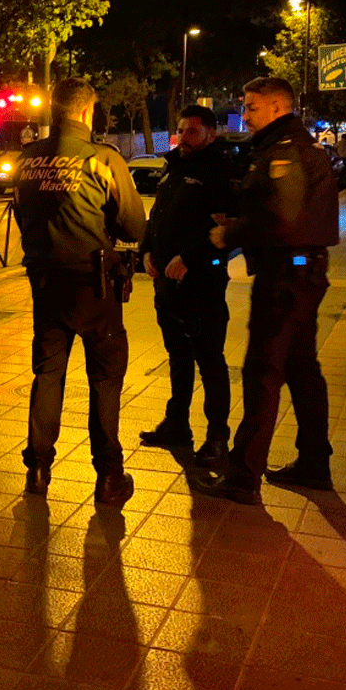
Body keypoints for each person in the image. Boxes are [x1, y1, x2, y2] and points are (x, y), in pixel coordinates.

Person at [201, 77, 340, 505]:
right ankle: (315, 463)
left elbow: (282, 217)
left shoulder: (285, 152)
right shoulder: (297, 146)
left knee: (262, 373)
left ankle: (244, 476)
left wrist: (230, 234)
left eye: (252, 106)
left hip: (285, 276)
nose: (245, 114)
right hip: (303, 272)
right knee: (301, 369)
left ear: (278, 108)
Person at [12, 77, 147, 505]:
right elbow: (134, 226)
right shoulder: (102, 159)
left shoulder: (28, 159)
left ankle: (37, 469)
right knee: (105, 379)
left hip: (45, 283)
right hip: (95, 284)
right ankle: (109, 475)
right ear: (88, 113)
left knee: (48, 375)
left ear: (53, 110)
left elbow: (21, 213)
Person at [138, 105, 236, 466]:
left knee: (209, 360)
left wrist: (188, 258)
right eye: (180, 130)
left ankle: (217, 438)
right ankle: (177, 424)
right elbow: (157, 214)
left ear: (211, 133)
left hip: (202, 286)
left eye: (192, 131)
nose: (183, 138)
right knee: (178, 359)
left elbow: (225, 232)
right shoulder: (173, 167)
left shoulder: (220, 172)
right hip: (167, 286)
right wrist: (146, 250)